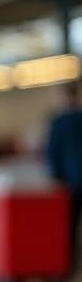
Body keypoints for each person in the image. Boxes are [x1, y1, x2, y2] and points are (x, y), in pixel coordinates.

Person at [46, 82, 82, 271]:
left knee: (69, 226)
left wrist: (55, 178)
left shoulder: (59, 122)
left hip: (70, 183)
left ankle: (70, 263)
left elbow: (52, 154)